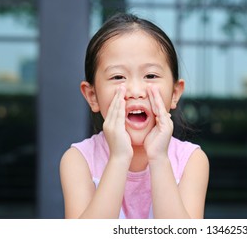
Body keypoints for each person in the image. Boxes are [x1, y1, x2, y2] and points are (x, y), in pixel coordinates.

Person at [60, 12, 209, 219]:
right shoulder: (79, 160)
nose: (136, 90)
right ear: (92, 95)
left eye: (150, 76)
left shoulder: (191, 161)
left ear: (175, 93)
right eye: (118, 76)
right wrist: (119, 158)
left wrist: (159, 159)